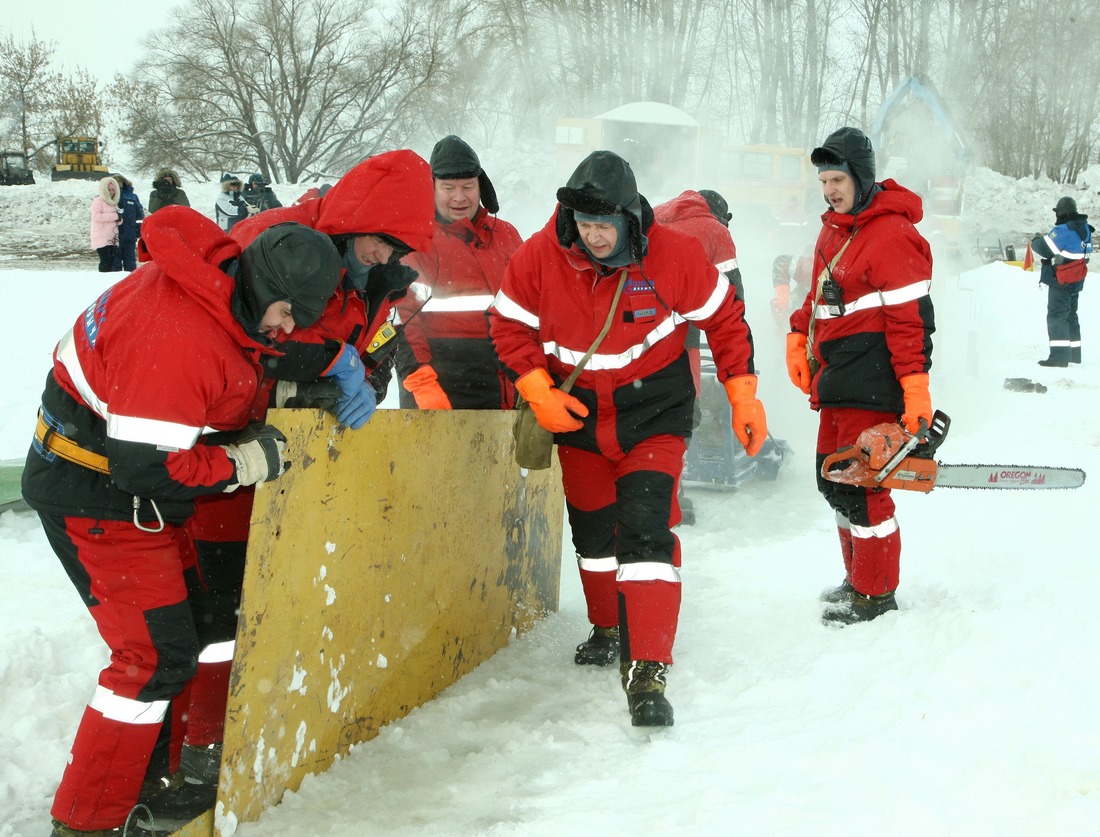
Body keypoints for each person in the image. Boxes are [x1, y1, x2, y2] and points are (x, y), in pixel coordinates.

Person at [21, 209, 343, 837]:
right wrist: (240, 462)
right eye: (284, 316)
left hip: (117, 484)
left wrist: (303, 383)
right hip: (96, 494)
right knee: (150, 658)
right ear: (260, 287)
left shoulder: (219, 294)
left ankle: (151, 789)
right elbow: (146, 467)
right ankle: (88, 822)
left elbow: (233, 368)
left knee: (186, 632)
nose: (284, 332)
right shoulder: (176, 337)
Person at [175, 149, 435, 787]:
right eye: (377, 243)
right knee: (220, 612)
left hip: (307, 462)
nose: (381, 257)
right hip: (230, 450)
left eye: (394, 248)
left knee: (289, 599)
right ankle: (201, 742)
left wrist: (366, 376)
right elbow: (235, 337)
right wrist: (325, 367)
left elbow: (376, 341)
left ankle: (267, 720)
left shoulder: (386, 277)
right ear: (352, 221)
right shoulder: (271, 241)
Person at [489, 150, 766, 726]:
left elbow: (725, 318)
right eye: (585, 224)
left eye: (605, 225)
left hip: (654, 414)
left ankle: (648, 671)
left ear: (630, 220)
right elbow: (508, 323)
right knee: (592, 535)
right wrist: (537, 388)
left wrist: (743, 393)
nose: (593, 236)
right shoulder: (541, 254)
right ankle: (607, 627)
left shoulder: (674, 255)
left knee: (646, 531)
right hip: (580, 417)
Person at [785, 126, 935, 626]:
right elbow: (814, 297)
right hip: (836, 378)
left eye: (838, 178)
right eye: (824, 180)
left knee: (864, 488)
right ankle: (856, 579)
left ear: (862, 177)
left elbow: (911, 321)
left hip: (873, 380)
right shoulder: (833, 228)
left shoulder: (892, 233)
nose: (830, 189)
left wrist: (915, 387)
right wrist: (795, 338)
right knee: (833, 480)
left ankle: (875, 595)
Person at [395, 134, 523, 410]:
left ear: (481, 187)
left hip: (503, 385)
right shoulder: (416, 241)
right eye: (448, 187)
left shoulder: (506, 236)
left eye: (468, 186)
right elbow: (402, 316)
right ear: (431, 188)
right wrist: (420, 378)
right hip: (442, 383)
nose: (459, 197)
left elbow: (532, 304)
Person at [653, 188, 743, 523]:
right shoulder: (714, 232)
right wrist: (738, 368)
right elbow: (732, 305)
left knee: (641, 415)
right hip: (678, 338)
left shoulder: (656, 216)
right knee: (682, 414)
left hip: (632, 334)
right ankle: (671, 499)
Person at [1031, 196, 1092, 367]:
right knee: (1071, 316)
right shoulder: (1086, 229)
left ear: (1061, 213)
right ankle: (1074, 355)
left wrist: (1036, 240)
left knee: (1057, 316)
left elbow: (1044, 249)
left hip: (1061, 281)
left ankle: (1059, 357)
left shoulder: (1064, 230)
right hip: (1076, 281)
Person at [111, 173, 146, 271]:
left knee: (130, 261)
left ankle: (131, 283)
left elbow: (139, 214)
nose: (117, 184)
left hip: (129, 234)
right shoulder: (107, 196)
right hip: (113, 235)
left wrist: (138, 230)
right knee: (114, 262)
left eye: (119, 181)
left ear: (123, 182)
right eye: (115, 182)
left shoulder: (132, 197)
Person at [89, 175, 122, 272]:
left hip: (112, 238)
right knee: (105, 261)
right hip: (101, 237)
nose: (111, 192)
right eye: (109, 190)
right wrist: (115, 216)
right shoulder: (98, 201)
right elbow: (96, 216)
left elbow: (118, 220)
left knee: (111, 262)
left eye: (113, 190)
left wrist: (119, 218)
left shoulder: (114, 203)